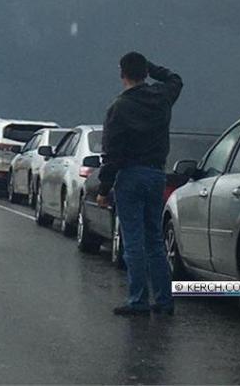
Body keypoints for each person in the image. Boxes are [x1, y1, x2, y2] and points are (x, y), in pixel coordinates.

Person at [97, 52, 183, 316]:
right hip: (156, 174)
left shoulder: (119, 107)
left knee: (133, 241)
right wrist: (152, 67)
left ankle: (138, 299)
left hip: (130, 175)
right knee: (155, 240)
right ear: (145, 72)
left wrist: (104, 187)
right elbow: (176, 79)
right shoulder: (161, 98)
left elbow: (112, 152)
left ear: (122, 74)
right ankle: (164, 300)